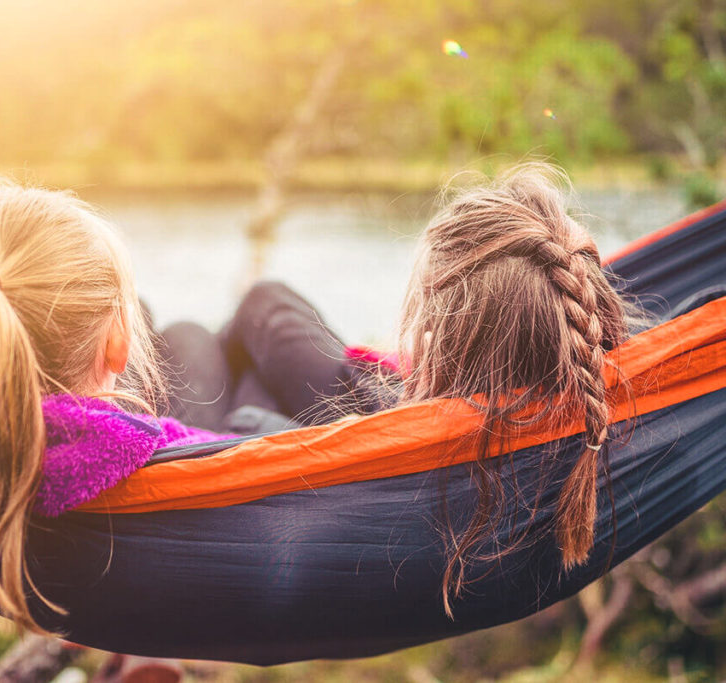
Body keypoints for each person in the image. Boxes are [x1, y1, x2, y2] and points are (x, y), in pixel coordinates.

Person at [191, 163, 632, 609]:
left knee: (198, 333)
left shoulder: (412, 463)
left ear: (432, 340)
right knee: (248, 348)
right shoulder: (612, 401)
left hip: (371, 429)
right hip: (399, 418)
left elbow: (254, 426)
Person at [0, 180, 226, 630]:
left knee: (156, 316)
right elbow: (248, 452)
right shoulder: (156, 446)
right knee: (238, 317)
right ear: (119, 344)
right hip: (236, 446)